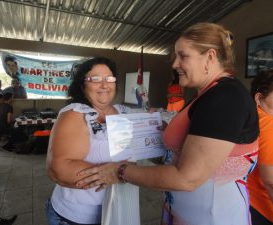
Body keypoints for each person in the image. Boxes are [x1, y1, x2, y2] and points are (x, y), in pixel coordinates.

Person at [76, 22, 260, 225]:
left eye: (183, 56)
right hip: (188, 211)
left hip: (212, 216)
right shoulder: (208, 94)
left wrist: (119, 172)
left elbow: (187, 178)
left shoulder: (225, 98)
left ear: (210, 56)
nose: (174, 65)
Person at [46, 57, 131, 225]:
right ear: (82, 85)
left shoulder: (122, 112)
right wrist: (120, 173)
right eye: (96, 79)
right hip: (76, 216)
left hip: (115, 210)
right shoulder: (75, 114)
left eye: (109, 78)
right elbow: (59, 170)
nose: (104, 85)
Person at [247, 69, 273, 225]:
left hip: (248, 201)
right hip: (266, 209)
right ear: (259, 98)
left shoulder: (249, 117)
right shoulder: (270, 123)